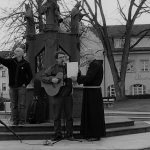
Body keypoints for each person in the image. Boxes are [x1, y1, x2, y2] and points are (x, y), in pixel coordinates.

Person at [42, 51, 74, 141]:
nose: (62, 58)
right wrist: (52, 79)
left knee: (69, 116)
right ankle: (57, 134)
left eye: (64, 57)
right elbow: (43, 77)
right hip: (57, 94)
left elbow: (77, 74)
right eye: (60, 57)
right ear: (56, 59)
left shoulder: (69, 67)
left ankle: (70, 134)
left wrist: (75, 70)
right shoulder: (52, 68)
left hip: (68, 94)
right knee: (56, 116)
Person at [77, 52, 106, 141]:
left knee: (93, 113)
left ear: (92, 56)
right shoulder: (95, 64)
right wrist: (79, 75)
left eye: (87, 56)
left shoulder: (94, 64)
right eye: (85, 57)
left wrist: (77, 78)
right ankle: (90, 133)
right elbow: (89, 77)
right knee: (90, 113)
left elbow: (89, 78)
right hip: (91, 91)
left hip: (92, 93)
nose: (86, 58)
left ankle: (95, 134)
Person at [0, 47, 33, 125]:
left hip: (21, 87)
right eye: (15, 51)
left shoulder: (26, 64)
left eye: (17, 51)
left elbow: (30, 75)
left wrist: (25, 83)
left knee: (22, 105)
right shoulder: (11, 62)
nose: (15, 52)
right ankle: (15, 121)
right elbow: (2, 60)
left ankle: (22, 121)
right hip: (12, 87)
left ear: (22, 53)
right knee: (13, 105)